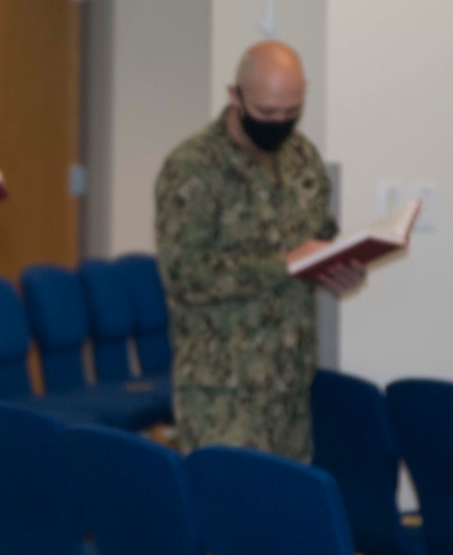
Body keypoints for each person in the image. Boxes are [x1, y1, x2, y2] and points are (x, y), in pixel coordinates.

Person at [155, 40, 364, 461]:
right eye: (267, 113)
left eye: (291, 112)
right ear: (236, 96)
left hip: (290, 386)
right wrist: (281, 267)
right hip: (224, 395)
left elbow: (319, 236)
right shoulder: (194, 167)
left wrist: (340, 266)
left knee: (286, 518)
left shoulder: (302, 157)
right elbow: (185, 274)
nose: (279, 123)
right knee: (230, 520)